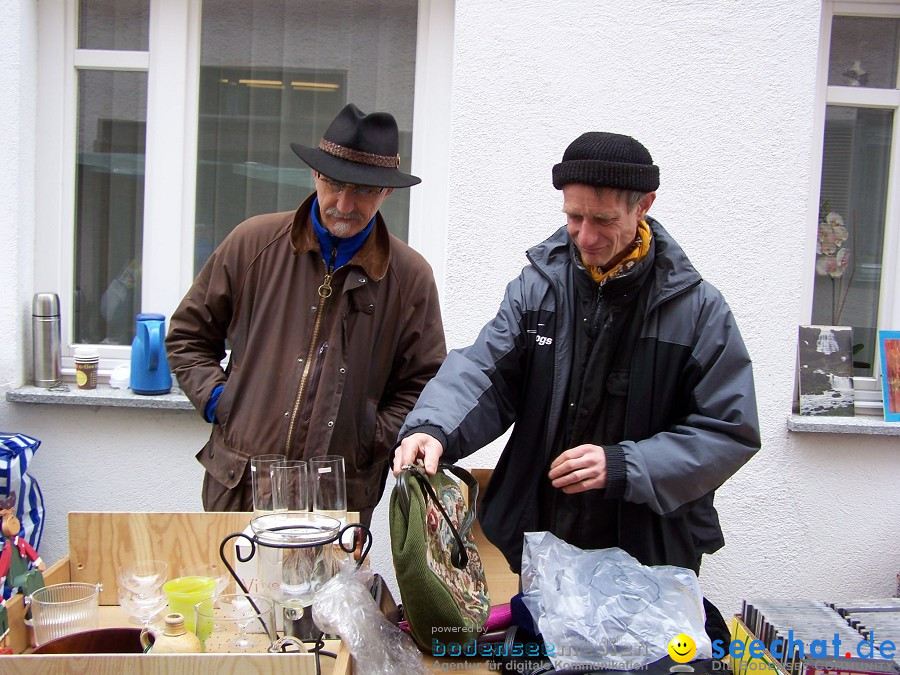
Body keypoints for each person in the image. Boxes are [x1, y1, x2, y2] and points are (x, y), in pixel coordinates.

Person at [393, 131, 760, 642]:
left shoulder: (699, 312)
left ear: (644, 206)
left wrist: (627, 465)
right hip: (549, 542)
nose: (584, 236)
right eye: (573, 217)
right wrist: (434, 427)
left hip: (650, 557)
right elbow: (485, 370)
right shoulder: (537, 287)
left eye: (603, 220)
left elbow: (728, 431)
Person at [167, 103, 446, 527]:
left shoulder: (409, 278)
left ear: (387, 193)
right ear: (314, 175)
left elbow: (424, 383)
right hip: (240, 485)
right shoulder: (253, 243)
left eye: (365, 190)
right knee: (236, 595)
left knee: (331, 597)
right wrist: (222, 401)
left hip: (339, 498)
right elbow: (187, 335)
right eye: (334, 183)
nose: (344, 204)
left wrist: (373, 434)